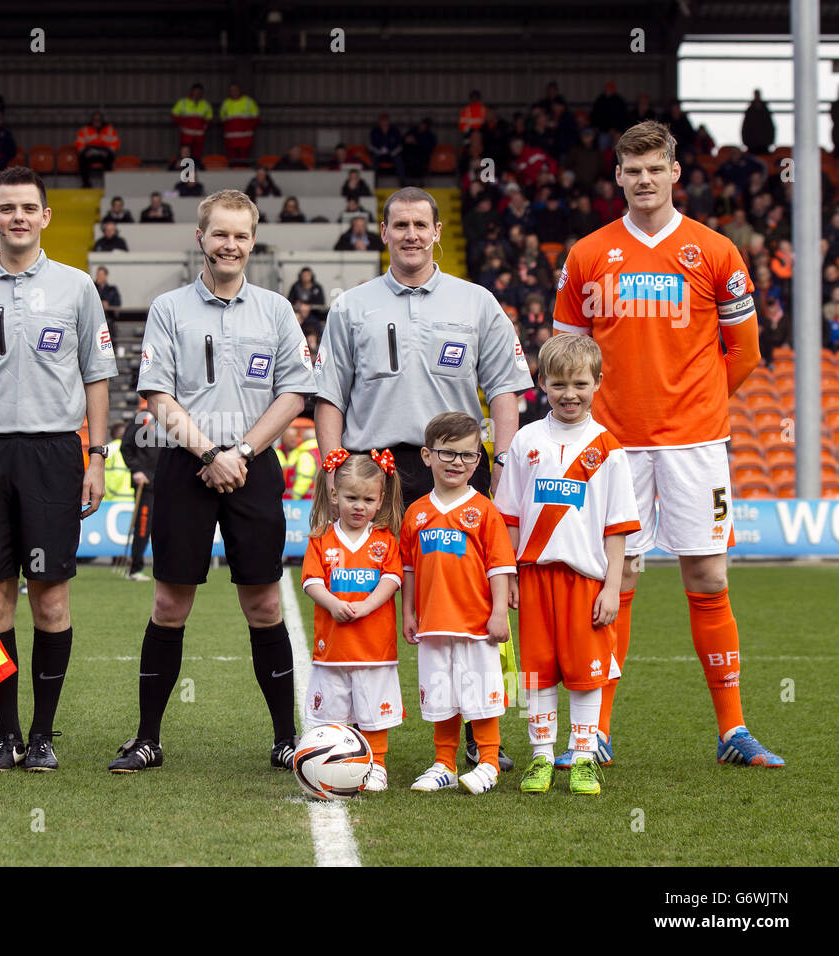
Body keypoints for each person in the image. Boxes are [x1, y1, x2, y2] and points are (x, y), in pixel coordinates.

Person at [553, 120, 782, 768]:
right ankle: (593, 731)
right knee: (616, 577)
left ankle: (733, 731)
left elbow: (745, 352)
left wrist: (699, 403)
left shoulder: (715, 252)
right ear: (618, 177)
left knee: (708, 575)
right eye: (632, 170)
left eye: (656, 167)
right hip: (614, 445)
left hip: (696, 444)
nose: (644, 179)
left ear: (676, 173)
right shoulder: (589, 254)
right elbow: (567, 352)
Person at [315, 186, 531, 770]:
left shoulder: (477, 302)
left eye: (421, 225)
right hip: (374, 472)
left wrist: (503, 461)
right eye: (400, 224)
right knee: (365, 594)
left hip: (457, 465)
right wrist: (335, 467)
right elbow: (329, 395)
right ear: (383, 233)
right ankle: (353, 734)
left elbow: (506, 389)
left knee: (473, 601)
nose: (411, 234)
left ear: (437, 232)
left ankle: (484, 733)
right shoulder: (351, 306)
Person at [107, 188, 315, 774]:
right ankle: (147, 738)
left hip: (253, 464)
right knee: (170, 603)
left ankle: (284, 740)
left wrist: (242, 450)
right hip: (185, 464)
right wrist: (209, 452)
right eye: (220, 234)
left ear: (253, 240)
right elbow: (157, 395)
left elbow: (294, 392)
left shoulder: (276, 310)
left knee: (265, 602)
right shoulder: (169, 308)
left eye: (241, 235)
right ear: (201, 238)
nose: (230, 245)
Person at [0, 165, 117, 773]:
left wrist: (96, 455)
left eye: (28, 208)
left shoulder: (76, 287)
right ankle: (5, 735)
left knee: (52, 603)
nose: (17, 218)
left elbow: (97, 377)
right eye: (6, 209)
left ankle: (42, 735)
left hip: (54, 454)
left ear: (45, 217)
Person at [493, 336, 640, 796]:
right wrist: (511, 576)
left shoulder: (608, 448)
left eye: (580, 383)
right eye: (558, 384)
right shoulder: (526, 439)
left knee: (585, 671)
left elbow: (617, 528)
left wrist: (612, 587)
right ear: (541, 383)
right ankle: (540, 756)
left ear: (598, 382)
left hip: (586, 579)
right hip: (534, 576)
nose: (569, 394)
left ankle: (582, 757)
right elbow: (511, 516)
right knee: (535, 672)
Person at [401, 412, 516, 795]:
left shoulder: (484, 510)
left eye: (467, 456)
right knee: (441, 696)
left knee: (481, 695)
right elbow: (409, 569)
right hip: (433, 624)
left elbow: (500, 567)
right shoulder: (416, 513)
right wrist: (409, 613)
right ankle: (444, 763)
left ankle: (488, 762)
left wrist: (499, 614)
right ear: (426, 455)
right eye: (447, 453)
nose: (457, 463)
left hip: (476, 624)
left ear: (477, 462)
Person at [301, 449, 405, 791]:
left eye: (368, 499)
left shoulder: (384, 540)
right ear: (335, 496)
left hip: (374, 647)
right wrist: (332, 603)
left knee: (373, 708)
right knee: (333, 711)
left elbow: (391, 580)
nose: (359, 506)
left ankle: (377, 764)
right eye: (351, 497)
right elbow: (311, 582)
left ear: (380, 500)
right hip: (332, 647)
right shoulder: (321, 539)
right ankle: (334, 762)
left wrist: (368, 605)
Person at [120, 404, 161, 582]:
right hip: (146, 484)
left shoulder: (171, 418)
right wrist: (136, 470)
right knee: (144, 527)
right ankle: (136, 568)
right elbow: (126, 447)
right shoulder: (142, 419)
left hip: (165, 482)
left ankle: (165, 569)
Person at [75, 111, 120, 189]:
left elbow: (115, 143)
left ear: (102, 120)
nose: (97, 122)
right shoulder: (85, 130)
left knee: (110, 158)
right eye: (95, 120)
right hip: (90, 153)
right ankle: (86, 184)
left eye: (98, 120)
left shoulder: (110, 129)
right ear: (92, 120)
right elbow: (79, 143)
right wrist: (85, 152)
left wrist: (108, 151)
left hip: (105, 153)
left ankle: (108, 184)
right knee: (82, 158)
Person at [220, 83, 260, 166]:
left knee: (244, 161)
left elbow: (256, 118)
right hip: (231, 139)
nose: (234, 92)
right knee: (232, 162)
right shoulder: (226, 103)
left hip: (245, 138)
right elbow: (223, 120)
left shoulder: (249, 102)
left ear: (239, 90)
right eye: (232, 90)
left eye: (235, 90)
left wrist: (247, 128)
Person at [171, 83, 213, 160]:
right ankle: (184, 170)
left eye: (199, 92)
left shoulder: (206, 104)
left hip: (199, 136)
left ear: (201, 93)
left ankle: (196, 169)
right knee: (185, 155)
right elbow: (174, 114)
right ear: (192, 91)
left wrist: (204, 127)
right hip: (186, 135)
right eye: (195, 91)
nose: (197, 93)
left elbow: (209, 118)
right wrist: (182, 124)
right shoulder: (183, 102)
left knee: (197, 156)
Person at [741, 90, 775, 155]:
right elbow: (745, 127)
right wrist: (746, 141)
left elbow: (770, 127)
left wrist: (769, 141)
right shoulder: (750, 111)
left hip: (764, 144)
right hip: (751, 144)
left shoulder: (765, 110)